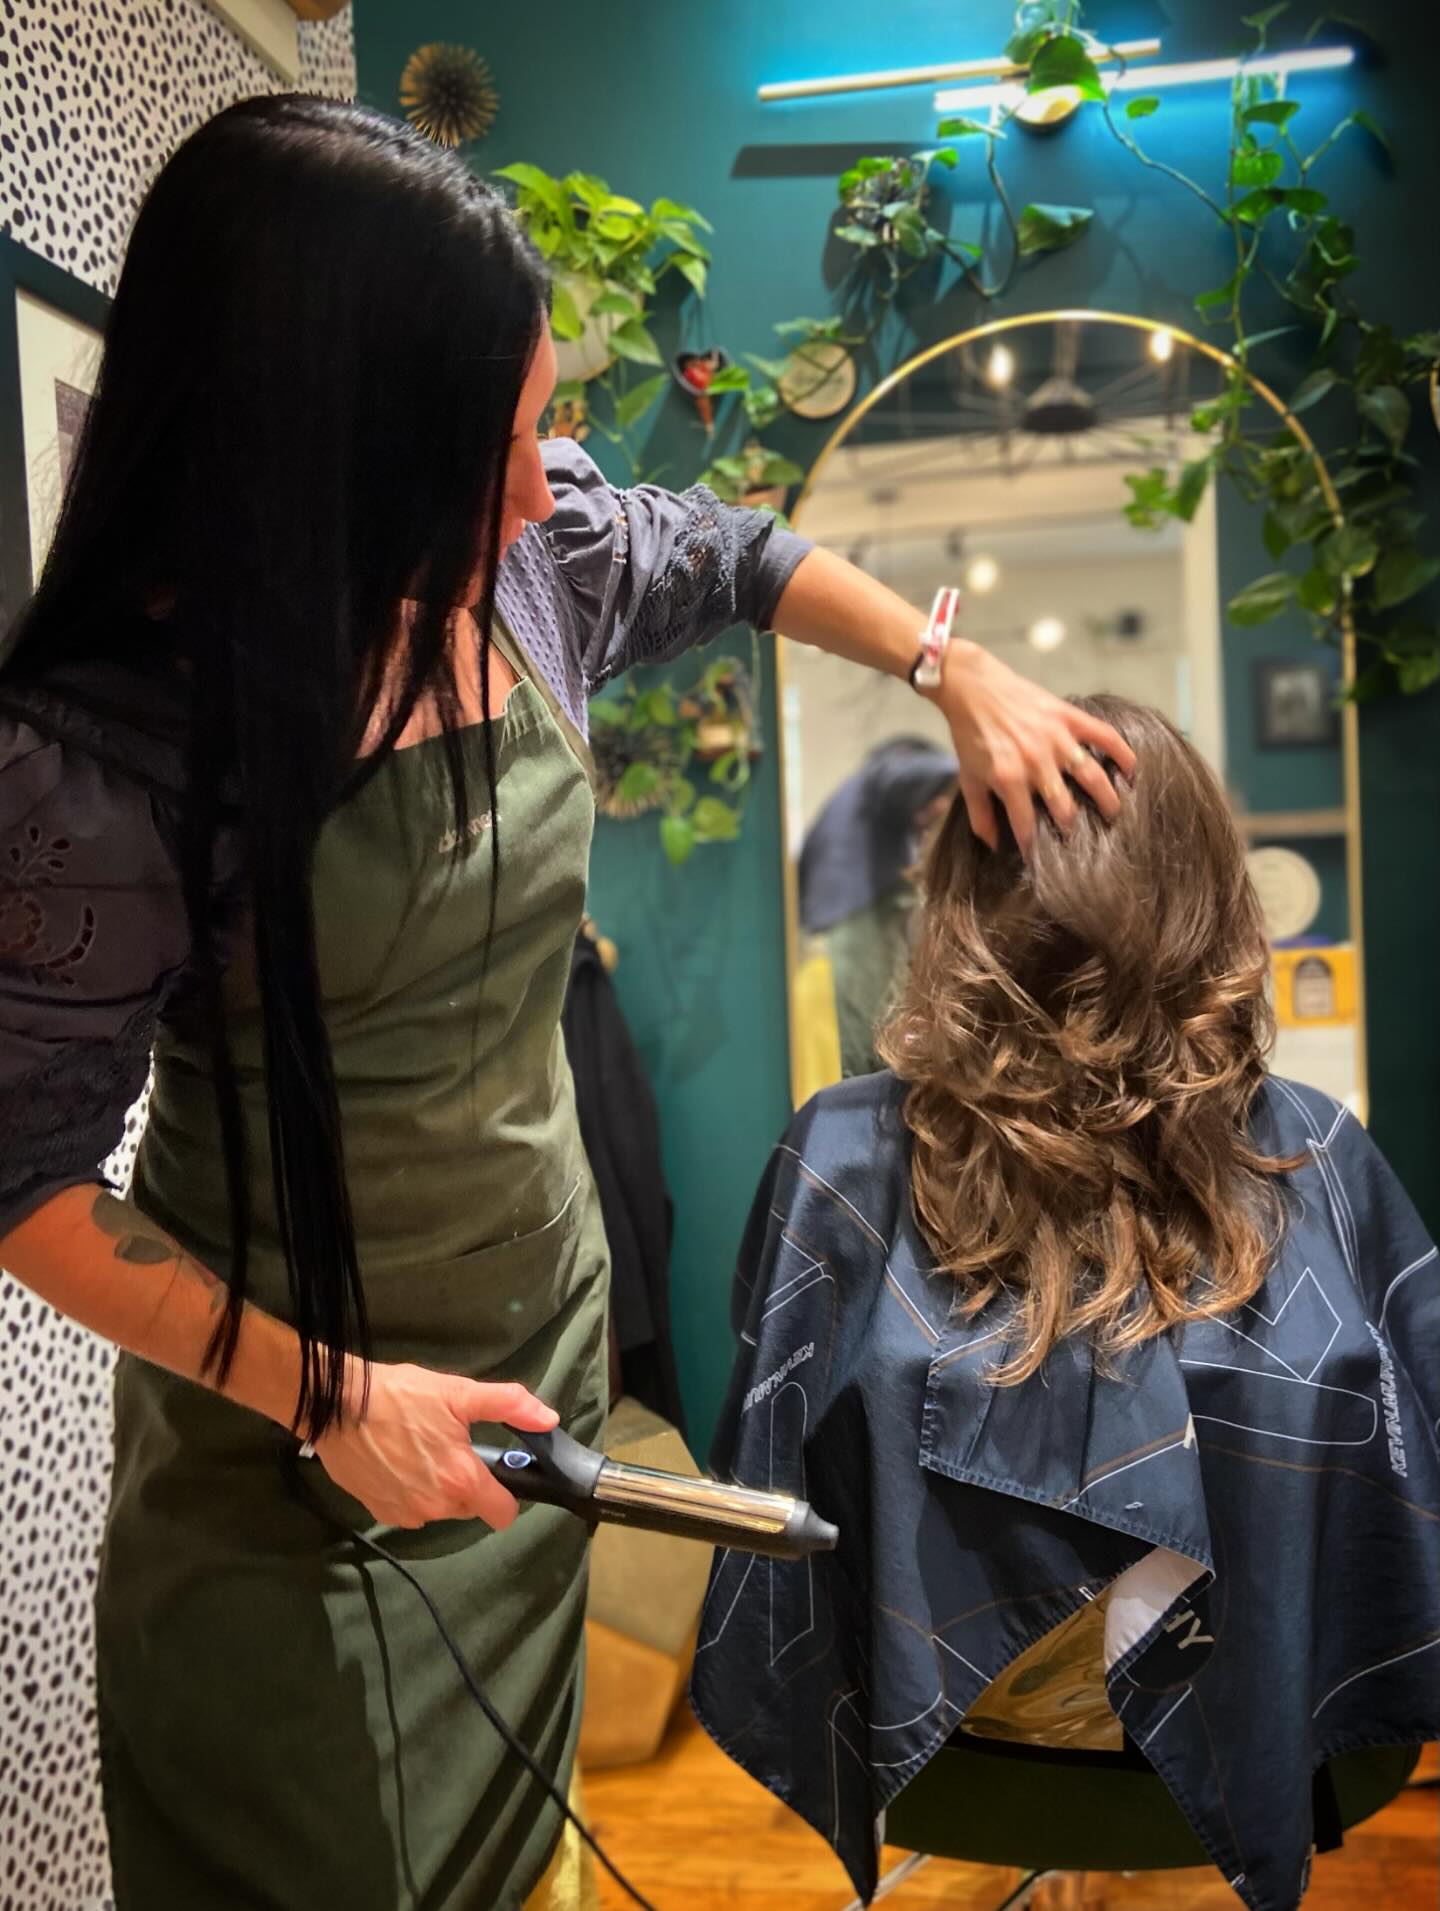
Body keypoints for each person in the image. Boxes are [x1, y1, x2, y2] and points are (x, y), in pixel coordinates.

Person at [0, 98, 1136, 1910]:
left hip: (531, 1393)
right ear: (326, 452)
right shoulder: (111, 758)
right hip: (294, 1476)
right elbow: (27, 1185)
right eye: (497, 446)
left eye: (545, 428)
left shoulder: (528, 567)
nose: (546, 487)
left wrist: (955, 666)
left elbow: (741, 553)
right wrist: (332, 1400)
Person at [693, 697, 1439, 1911]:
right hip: (1246, 1701)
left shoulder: (841, 1145)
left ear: (966, 897)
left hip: (953, 1730)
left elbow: (764, 1458)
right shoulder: (1314, 1151)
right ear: (1209, 892)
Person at [798, 736, 957, 1076]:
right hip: (857, 925)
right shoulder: (886, 771)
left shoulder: (849, 809)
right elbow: (904, 775)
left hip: (825, 940)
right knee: (869, 1053)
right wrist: (975, 767)